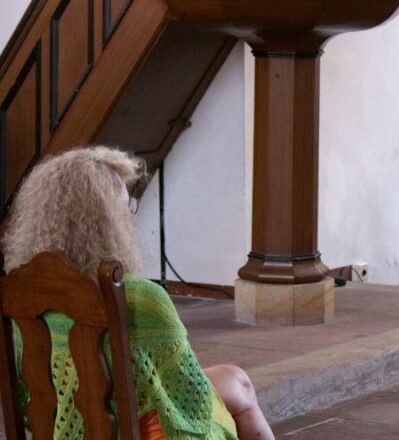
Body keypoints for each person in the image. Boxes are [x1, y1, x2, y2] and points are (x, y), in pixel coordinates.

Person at [2, 146, 275, 440]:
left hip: (65, 428)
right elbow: (189, 401)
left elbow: (27, 393)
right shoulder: (139, 297)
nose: (131, 214)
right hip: (132, 429)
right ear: (108, 221)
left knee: (232, 377)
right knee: (238, 385)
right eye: (126, 205)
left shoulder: (20, 295)